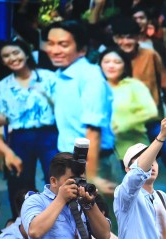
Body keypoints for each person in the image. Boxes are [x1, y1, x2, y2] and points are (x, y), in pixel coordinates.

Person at [111, 16, 166, 200]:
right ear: (114, 39)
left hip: (154, 121)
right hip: (127, 126)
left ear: (138, 37)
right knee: (132, 167)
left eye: (130, 36)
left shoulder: (150, 55)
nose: (125, 41)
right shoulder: (111, 61)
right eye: (121, 37)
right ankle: (136, 203)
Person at [45, 20, 115, 195]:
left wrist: (90, 177)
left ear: (82, 49)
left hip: (93, 162)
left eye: (63, 44)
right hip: (68, 161)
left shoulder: (90, 77)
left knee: (101, 220)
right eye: (50, 43)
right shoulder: (60, 74)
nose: (54, 50)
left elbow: (93, 130)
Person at [0, 38, 58, 216]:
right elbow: (1, 119)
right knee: (19, 184)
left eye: (16, 53)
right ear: (2, 61)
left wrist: (45, 94)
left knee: (56, 181)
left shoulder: (49, 77)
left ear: (26, 53)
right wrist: (8, 153)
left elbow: (64, 110)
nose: (12, 58)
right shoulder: (2, 87)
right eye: (6, 56)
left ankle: (59, 223)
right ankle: (24, 227)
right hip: (20, 137)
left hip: (50, 135)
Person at [99, 47, 158, 162]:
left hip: (133, 150)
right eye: (106, 62)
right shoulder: (96, 87)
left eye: (117, 62)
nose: (111, 66)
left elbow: (151, 111)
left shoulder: (134, 86)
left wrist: (124, 124)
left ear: (125, 66)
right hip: (103, 151)